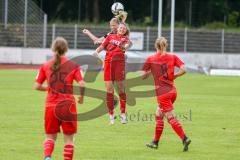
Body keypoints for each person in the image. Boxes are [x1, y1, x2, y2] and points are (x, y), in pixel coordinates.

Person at [34, 37, 85, 160]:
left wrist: (51, 88)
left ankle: (47, 158)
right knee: (69, 139)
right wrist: (81, 98)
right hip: (68, 107)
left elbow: (36, 86)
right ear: (66, 49)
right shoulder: (73, 65)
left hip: (51, 106)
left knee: (50, 137)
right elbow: (82, 84)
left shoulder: (45, 65)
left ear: (53, 48)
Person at [142, 37, 191, 151]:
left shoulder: (151, 58)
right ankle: (155, 142)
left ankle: (184, 138)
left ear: (155, 46)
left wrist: (151, 71)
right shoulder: (173, 57)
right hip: (172, 91)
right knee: (159, 114)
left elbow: (143, 76)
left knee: (170, 117)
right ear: (166, 45)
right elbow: (184, 69)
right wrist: (176, 75)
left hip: (162, 93)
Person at [93, 23, 131, 125]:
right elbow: (102, 46)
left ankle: (123, 114)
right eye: (121, 28)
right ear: (117, 29)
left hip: (119, 64)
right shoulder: (110, 36)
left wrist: (123, 47)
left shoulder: (126, 39)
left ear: (125, 31)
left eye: (124, 28)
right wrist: (96, 52)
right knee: (109, 90)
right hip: (108, 64)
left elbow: (126, 46)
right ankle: (111, 115)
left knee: (120, 89)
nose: (122, 29)